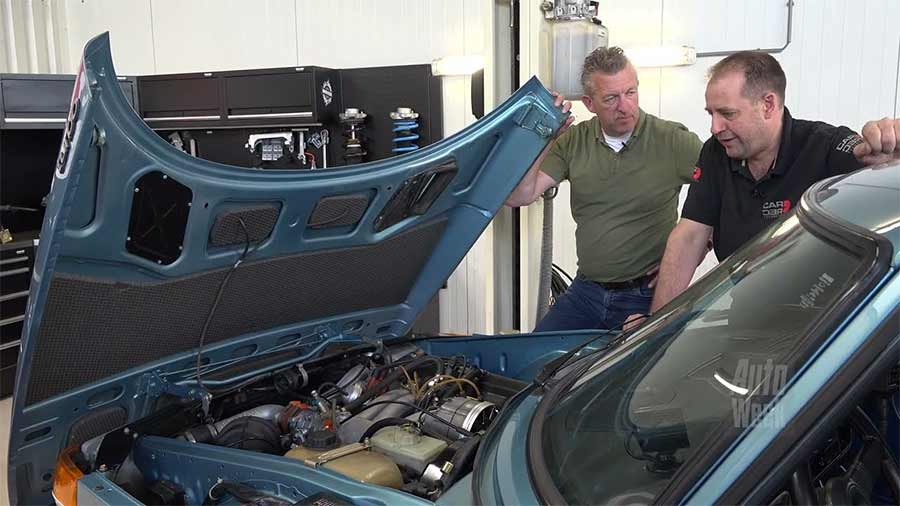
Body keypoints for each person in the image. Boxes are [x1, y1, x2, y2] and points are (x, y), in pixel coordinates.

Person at [625, 51, 900, 330]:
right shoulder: (715, 153)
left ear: (768, 104)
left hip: (825, 326)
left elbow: (873, 160)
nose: (715, 127)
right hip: (747, 316)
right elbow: (689, 237)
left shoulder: (824, 146)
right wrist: (654, 328)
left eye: (727, 114)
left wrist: (889, 148)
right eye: (711, 113)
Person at [505, 47, 703, 331]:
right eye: (611, 98)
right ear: (589, 102)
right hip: (586, 293)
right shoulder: (573, 142)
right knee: (534, 360)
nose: (625, 107)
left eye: (630, 92)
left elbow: (724, 193)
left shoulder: (674, 141)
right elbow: (520, 195)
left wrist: (692, 254)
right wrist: (547, 134)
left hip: (644, 295)